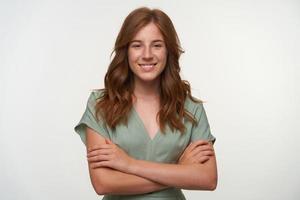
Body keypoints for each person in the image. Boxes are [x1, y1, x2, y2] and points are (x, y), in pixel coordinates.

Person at [74, 7, 217, 200]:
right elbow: (103, 183)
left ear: (168, 51)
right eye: (137, 45)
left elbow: (208, 179)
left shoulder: (191, 109)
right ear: (125, 51)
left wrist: (129, 165)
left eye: (157, 45)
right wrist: (179, 171)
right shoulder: (100, 105)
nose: (147, 54)